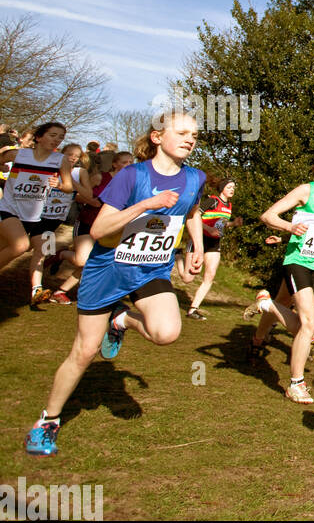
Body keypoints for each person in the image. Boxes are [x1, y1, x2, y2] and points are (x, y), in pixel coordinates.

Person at [24, 111, 206, 456]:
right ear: (157, 137)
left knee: (167, 332)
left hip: (152, 270)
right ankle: (47, 420)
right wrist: (148, 204)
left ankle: (121, 319)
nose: (190, 139)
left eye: (194, 134)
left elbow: (192, 212)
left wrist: (194, 247)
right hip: (109, 270)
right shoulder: (131, 176)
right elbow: (99, 230)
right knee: (84, 352)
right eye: (181, 132)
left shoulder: (195, 178)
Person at [246, 149, 314, 404]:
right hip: (298, 261)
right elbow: (268, 216)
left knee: (309, 327)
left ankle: (267, 304)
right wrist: (289, 227)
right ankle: (296, 383)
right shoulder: (307, 190)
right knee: (307, 323)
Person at [0, 122, 78, 299]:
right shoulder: (18, 154)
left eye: (61, 137)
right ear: (39, 137)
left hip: (32, 215)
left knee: (5, 249)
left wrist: (59, 185)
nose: (57, 140)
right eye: (53, 135)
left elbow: (68, 187)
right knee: (21, 246)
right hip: (9, 208)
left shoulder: (60, 161)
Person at [50, 151, 132, 304]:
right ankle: (62, 254)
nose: (128, 165)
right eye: (124, 162)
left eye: (130, 163)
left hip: (108, 229)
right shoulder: (100, 177)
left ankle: (61, 292)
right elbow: (78, 195)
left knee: (95, 260)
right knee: (82, 260)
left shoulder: (128, 184)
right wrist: (92, 201)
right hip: (87, 222)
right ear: (114, 163)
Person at [28, 143, 86, 305]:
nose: (73, 158)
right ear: (62, 154)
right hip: (35, 216)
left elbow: (87, 195)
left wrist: (71, 186)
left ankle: (36, 289)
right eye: (70, 154)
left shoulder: (79, 173)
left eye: (77, 156)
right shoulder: (50, 168)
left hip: (55, 220)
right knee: (27, 248)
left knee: (40, 251)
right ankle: (36, 288)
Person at [178, 177, 238, 319]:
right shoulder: (213, 201)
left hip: (214, 243)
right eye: (229, 187)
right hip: (199, 239)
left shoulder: (229, 205)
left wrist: (233, 224)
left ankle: (193, 309)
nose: (232, 190)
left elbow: (221, 224)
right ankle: (177, 256)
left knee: (210, 275)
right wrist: (208, 229)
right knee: (187, 278)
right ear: (222, 188)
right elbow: (194, 215)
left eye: (234, 188)